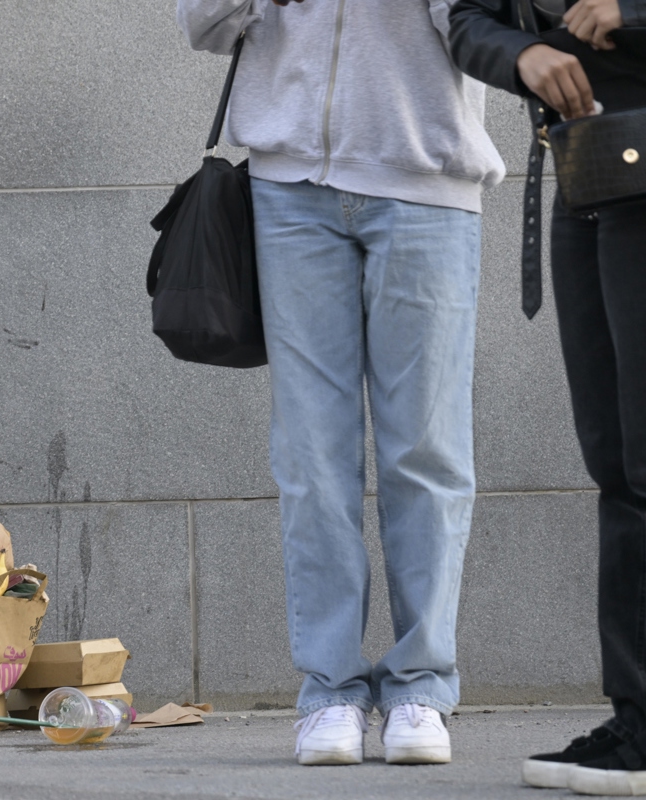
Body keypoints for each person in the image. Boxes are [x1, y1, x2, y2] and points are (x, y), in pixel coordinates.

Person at [177, 0, 506, 766]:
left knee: (424, 450)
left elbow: (487, 24)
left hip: (425, 180)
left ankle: (422, 685)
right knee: (310, 456)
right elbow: (203, 24)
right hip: (288, 191)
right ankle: (329, 691)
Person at [448, 0, 646, 794]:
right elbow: (466, 17)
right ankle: (636, 716)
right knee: (618, 466)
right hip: (588, 169)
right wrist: (521, 56)